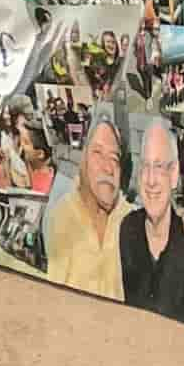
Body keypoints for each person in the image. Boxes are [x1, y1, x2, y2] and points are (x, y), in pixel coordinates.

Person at [121, 115, 184, 323]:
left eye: (159, 167)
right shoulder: (127, 229)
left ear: (174, 173)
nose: (150, 180)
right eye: (145, 167)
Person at [40, 114, 126, 297]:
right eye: (98, 153)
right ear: (84, 161)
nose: (108, 168)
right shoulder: (62, 214)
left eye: (114, 158)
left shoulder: (131, 218)